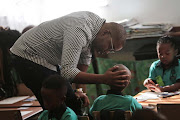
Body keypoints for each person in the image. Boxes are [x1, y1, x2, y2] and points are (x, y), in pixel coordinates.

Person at [10, 11, 128, 114]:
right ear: (105, 33)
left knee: (71, 103)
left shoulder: (94, 30)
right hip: (28, 55)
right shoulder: (80, 29)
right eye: (110, 47)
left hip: (44, 59)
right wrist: (104, 79)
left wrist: (78, 90)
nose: (107, 51)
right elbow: (68, 72)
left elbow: (81, 67)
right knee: (61, 107)